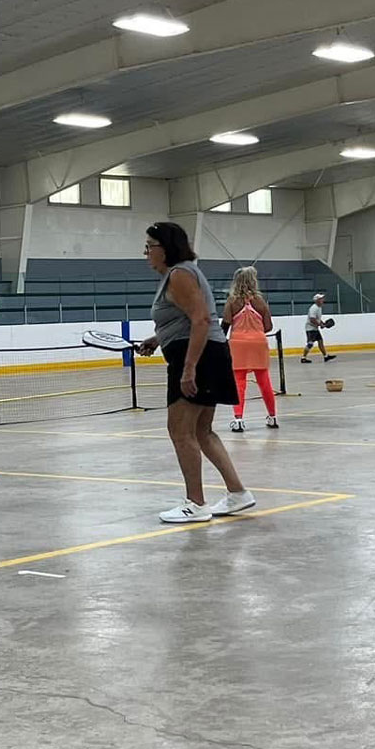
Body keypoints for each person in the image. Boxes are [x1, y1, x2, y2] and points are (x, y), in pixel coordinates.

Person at [136, 221, 252, 524]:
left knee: (180, 431)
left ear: (166, 247)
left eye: (150, 246)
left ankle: (196, 503)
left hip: (198, 358)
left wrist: (188, 370)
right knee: (201, 431)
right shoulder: (180, 274)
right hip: (206, 354)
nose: (146, 252)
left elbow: (201, 320)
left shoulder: (179, 275)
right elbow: (188, 319)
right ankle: (238, 493)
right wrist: (157, 339)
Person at [223, 267, 278, 433]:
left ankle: (238, 419)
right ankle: (272, 416)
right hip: (259, 343)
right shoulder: (260, 301)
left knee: (239, 383)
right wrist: (255, 330)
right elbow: (268, 326)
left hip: (238, 343)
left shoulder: (232, 301)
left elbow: (224, 325)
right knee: (264, 381)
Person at [300, 292, 337, 363]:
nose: (323, 300)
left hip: (314, 328)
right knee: (310, 344)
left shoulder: (319, 308)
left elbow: (317, 319)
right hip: (310, 329)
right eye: (321, 299)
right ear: (317, 300)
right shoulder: (314, 308)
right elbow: (312, 319)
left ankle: (325, 356)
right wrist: (320, 325)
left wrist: (322, 323)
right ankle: (303, 358)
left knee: (320, 341)